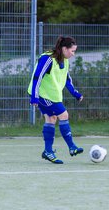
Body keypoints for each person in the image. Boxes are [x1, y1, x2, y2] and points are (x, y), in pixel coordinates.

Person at [28, 36, 84, 164]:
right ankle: (72, 147)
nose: (73, 54)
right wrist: (34, 97)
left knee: (51, 119)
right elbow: (37, 76)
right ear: (64, 48)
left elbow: (67, 80)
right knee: (64, 115)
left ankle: (48, 151)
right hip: (41, 94)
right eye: (72, 51)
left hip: (52, 96)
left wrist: (75, 94)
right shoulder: (47, 59)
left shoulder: (65, 60)